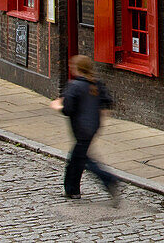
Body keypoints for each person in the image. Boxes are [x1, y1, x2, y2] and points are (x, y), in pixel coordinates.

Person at [50, 55, 120, 205]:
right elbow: (107, 103)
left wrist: (58, 105)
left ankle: (109, 180)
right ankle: (72, 190)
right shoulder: (96, 84)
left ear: (77, 69)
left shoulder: (74, 86)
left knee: (83, 160)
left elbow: (68, 109)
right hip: (92, 127)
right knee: (76, 159)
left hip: (81, 129)